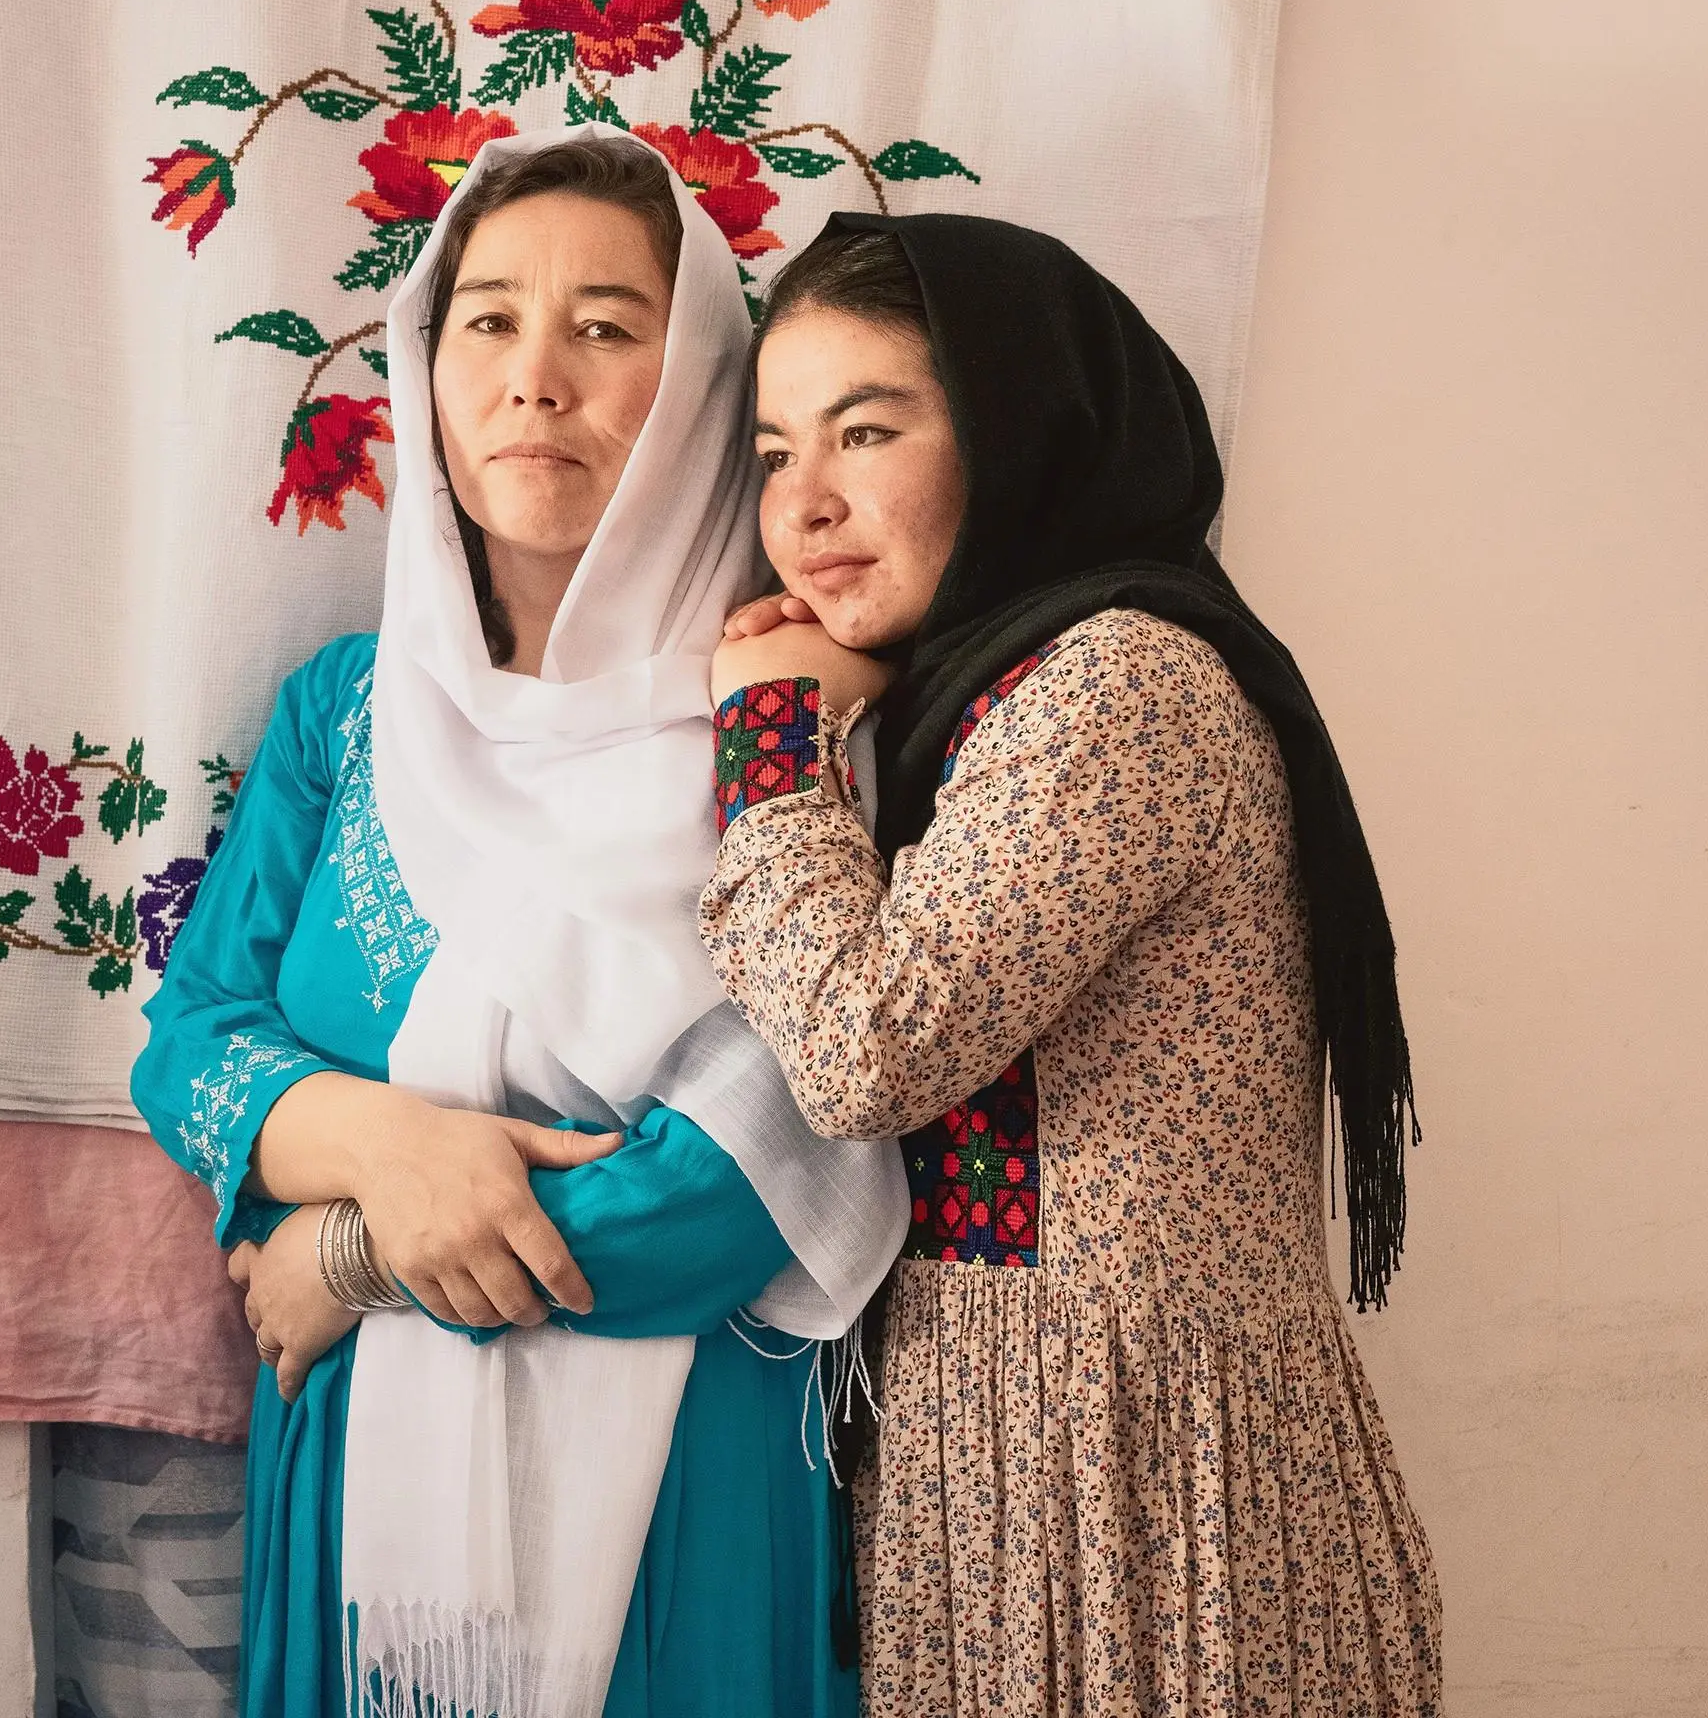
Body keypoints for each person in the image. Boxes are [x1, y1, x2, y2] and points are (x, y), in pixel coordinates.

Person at [133, 130, 905, 1718]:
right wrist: (382, 1145)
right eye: (486, 320)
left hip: (686, 1479)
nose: (534, 378)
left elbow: (750, 1177)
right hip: (357, 1490)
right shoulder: (343, 717)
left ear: (702, 387)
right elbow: (191, 1044)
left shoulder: (788, 721)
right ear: (426, 371)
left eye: (607, 327)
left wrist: (350, 1254)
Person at [700, 215, 1444, 1716]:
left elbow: (864, 1049)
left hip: (1145, 1494)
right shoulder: (970, 707)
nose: (808, 501)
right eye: (776, 452)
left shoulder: (1117, 680)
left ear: (1020, 426)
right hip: (1017, 1465)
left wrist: (769, 730)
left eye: (868, 428)